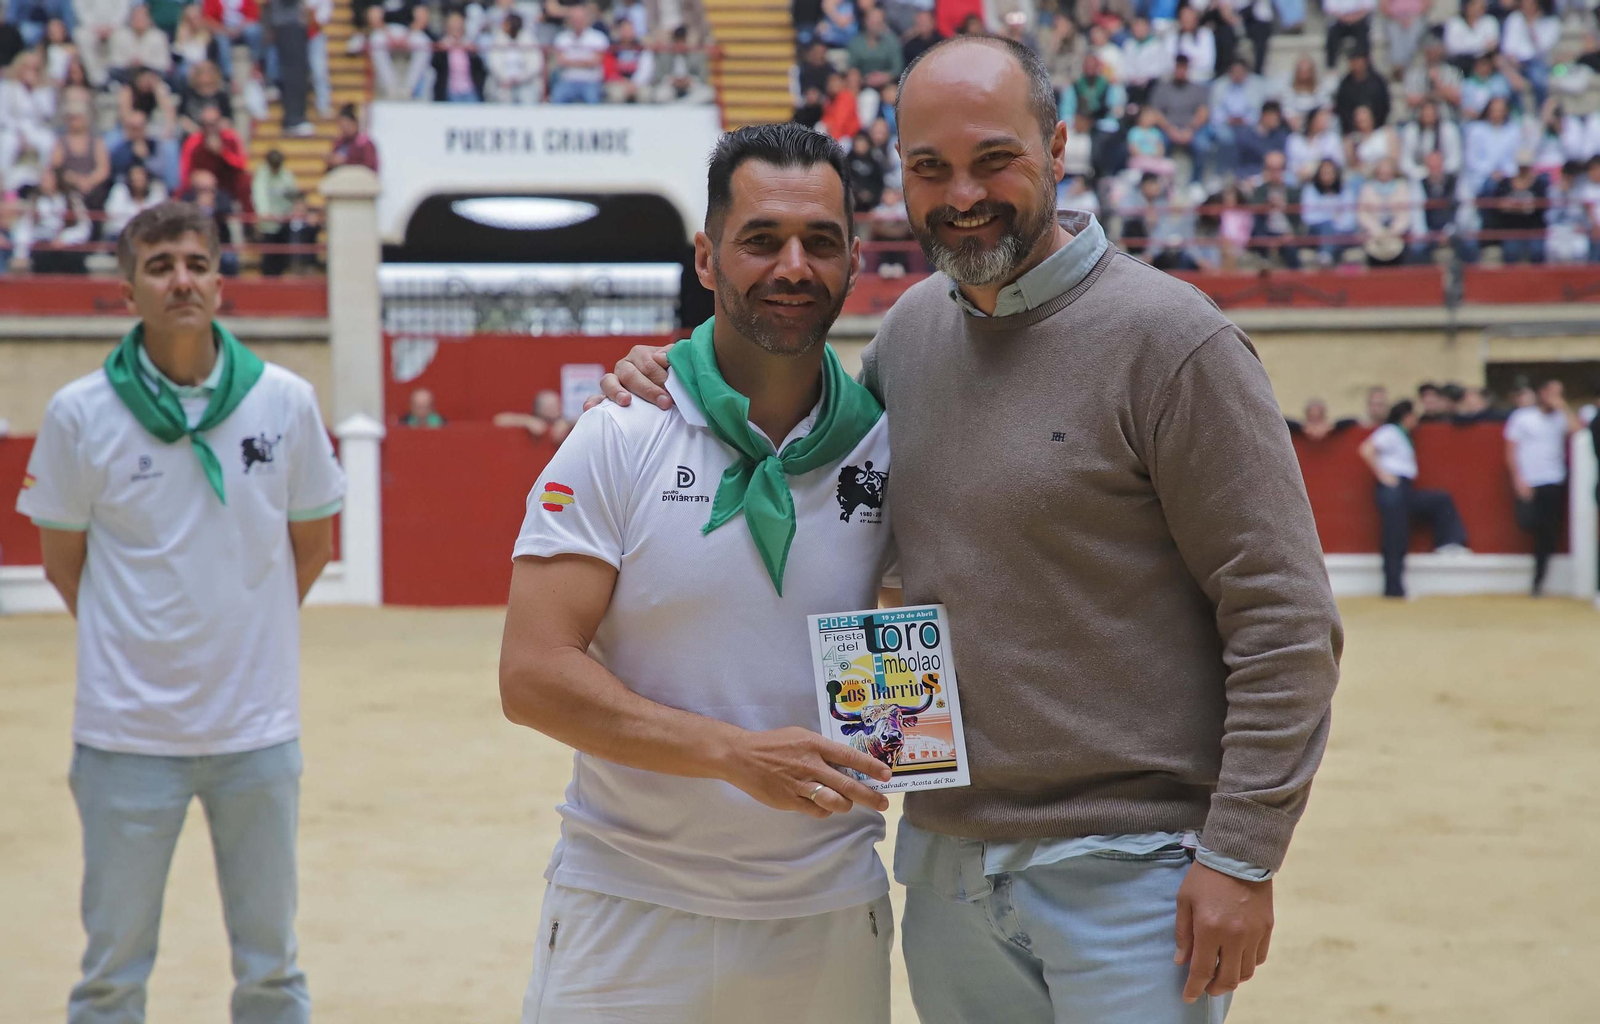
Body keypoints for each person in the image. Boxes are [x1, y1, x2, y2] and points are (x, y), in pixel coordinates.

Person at [600, 35, 1342, 1023]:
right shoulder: (906, 338)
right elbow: (807, 470)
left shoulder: (1174, 341)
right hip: (946, 867)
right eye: (929, 168)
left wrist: (1241, 856)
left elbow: (1286, 621)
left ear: (1059, 145)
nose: (961, 195)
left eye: (994, 159)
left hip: (1131, 877)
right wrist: (673, 372)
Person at [499, 122, 898, 1024]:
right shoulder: (623, 429)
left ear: (851, 260)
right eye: (761, 240)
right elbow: (531, 677)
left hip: (828, 915)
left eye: (820, 242)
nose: (792, 265)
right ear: (708, 258)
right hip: (628, 909)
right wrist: (732, 755)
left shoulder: (889, 443)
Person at [15, 201, 343, 1024]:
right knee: (112, 975)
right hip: (126, 737)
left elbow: (312, 546)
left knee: (272, 969)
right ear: (129, 290)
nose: (181, 280)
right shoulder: (78, 413)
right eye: (159, 267)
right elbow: (65, 565)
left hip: (257, 733)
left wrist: (241, 626)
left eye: (195, 263)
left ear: (221, 283)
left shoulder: (287, 401)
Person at [1358, 399, 1470, 598]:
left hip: (1403, 489)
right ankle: (1393, 589)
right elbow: (1366, 449)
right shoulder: (1390, 431)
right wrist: (1383, 475)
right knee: (1395, 539)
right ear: (1406, 416)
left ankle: (1447, 542)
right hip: (1392, 489)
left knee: (1438, 501)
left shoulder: (1401, 434)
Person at [1505, 378, 1579, 595]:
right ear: (1541, 393)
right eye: (1552, 393)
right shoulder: (1522, 417)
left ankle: (1538, 581)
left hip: (1553, 479)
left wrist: (1563, 407)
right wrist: (1518, 479)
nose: (1555, 398)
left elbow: (1578, 431)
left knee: (1547, 532)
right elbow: (1511, 451)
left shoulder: (1560, 418)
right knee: (1529, 524)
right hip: (1530, 480)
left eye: (1559, 394)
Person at [549, 4, 607, 103]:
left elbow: (595, 61)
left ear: (587, 19)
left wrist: (571, 62)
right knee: (557, 97)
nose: (577, 21)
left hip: (590, 82)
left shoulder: (598, 37)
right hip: (567, 82)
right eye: (574, 18)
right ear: (569, 20)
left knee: (593, 99)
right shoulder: (562, 38)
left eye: (580, 18)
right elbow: (561, 61)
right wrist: (585, 62)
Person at [432, 9, 487, 101]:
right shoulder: (442, 46)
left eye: (458, 26)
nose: (456, 29)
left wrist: (474, 52)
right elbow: (435, 66)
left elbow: (481, 69)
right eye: (453, 26)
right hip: (450, 92)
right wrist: (441, 50)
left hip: (470, 90)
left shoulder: (470, 45)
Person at [104, 160, 168, 237]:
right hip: (121, 234)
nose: (138, 181)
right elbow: (113, 216)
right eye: (135, 178)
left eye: (141, 178)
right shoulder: (119, 190)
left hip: (150, 235)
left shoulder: (157, 189)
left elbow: (161, 216)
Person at [493, 388, 573, 443]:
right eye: (549, 406)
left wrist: (567, 424)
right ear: (538, 407)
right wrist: (527, 421)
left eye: (556, 404)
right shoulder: (532, 420)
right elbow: (499, 420)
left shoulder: (564, 422)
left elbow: (579, 420)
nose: (554, 408)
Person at [327, 103, 379, 171]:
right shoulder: (339, 143)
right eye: (342, 126)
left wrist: (345, 161)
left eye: (347, 126)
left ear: (355, 124)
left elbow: (370, 167)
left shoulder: (364, 144)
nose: (345, 129)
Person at [1322, 0, 1374, 69]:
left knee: (1364, 32)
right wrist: (1346, 18)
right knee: (1332, 33)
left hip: (1359, 21)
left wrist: (1353, 18)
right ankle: (1331, 67)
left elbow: (1368, 7)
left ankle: (1363, 65)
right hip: (1339, 21)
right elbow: (1330, 8)